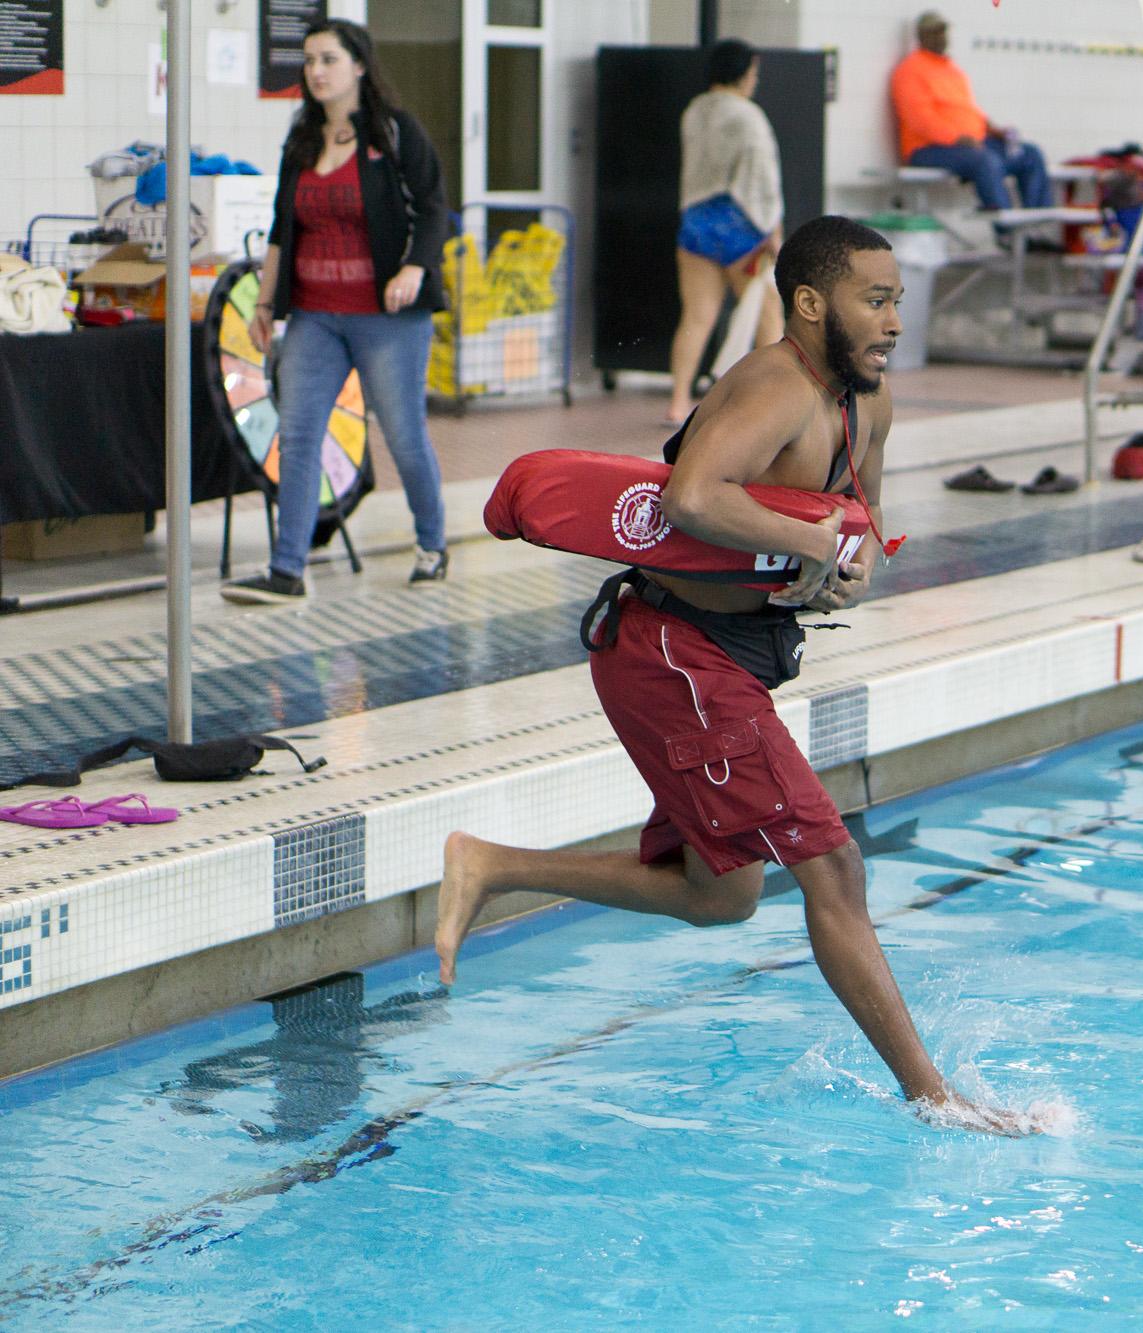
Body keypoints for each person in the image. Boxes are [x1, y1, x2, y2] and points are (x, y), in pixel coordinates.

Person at [435, 217, 1029, 1136]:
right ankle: (937, 1100)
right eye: (875, 301)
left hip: (733, 654)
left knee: (725, 892)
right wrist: (809, 542)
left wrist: (854, 566)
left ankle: (492, 865)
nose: (892, 321)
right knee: (833, 867)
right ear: (809, 303)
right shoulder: (772, 387)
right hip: (671, 650)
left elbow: (860, 519)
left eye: (896, 302)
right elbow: (691, 497)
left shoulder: (867, 402)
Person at [222, 19, 450, 604]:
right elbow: (281, 230)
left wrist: (413, 269)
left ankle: (432, 544)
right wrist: (266, 304)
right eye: (309, 61)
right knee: (297, 436)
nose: (315, 71)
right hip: (316, 317)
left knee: (402, 434)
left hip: (387, 317)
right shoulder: (302, 139)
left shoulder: (395, 134)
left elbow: (432, 209)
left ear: (359, 67)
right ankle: (287, 569)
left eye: (327, 59)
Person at [667, 39, 785, 427]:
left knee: (697, 316)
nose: (755, 81)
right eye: (753, 73)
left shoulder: (694, 111)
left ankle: (678, 401)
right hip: (740, 225)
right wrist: (772, 230)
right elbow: (761, 179)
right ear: (742, 73)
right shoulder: (748, 116)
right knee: (767, 312)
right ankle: (772, 400)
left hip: (697, 223)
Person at [890, 11, 1052, 214]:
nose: (941, 37)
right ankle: (1007, 228)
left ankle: (1036, 224)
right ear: (921, 36)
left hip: (973, 144)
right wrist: (957, 139)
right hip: (929, 149)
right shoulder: (910, 70)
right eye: (934, 33)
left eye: (943, 32)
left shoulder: (952, 70)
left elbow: (967, 110)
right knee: (985, 160)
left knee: (1029, 154)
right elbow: (921, 120)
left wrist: (992, 129)